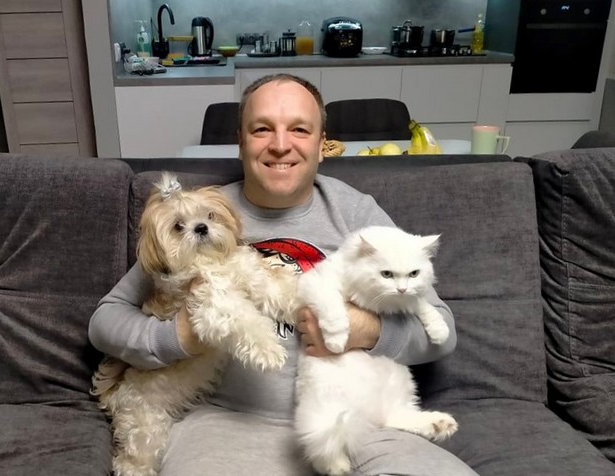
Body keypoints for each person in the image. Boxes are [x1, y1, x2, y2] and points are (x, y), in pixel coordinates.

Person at [88, 73, 478, 476]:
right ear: (241, 142)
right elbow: (105, 322)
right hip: (227, 426)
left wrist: (368, 330)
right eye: (262, 129)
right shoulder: (200, 213)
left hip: (361, 419)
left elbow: (441, 329)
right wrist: (179, 337)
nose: (279, 144)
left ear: (322, 144)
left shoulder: (355, 212)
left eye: (299, 129)